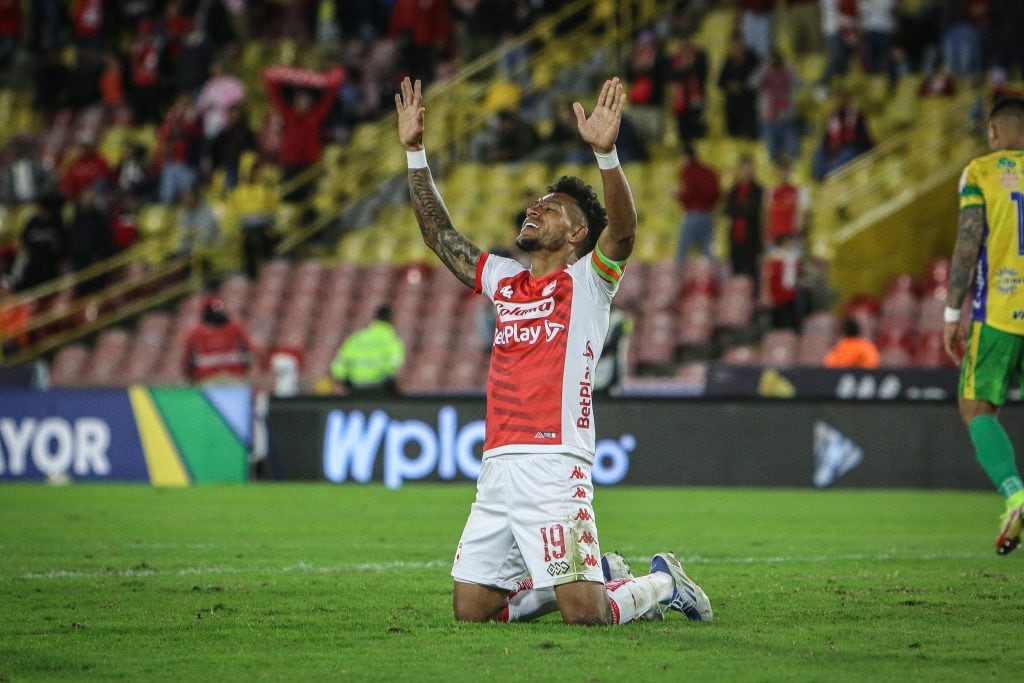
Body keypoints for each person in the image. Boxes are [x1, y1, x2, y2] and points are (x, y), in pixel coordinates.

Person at [396, 75, 712, 626]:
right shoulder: (505, 280)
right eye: (536, 203)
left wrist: (606, 154)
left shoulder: (589, 281)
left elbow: (626, 232)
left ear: (577, 233)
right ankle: (595, 571)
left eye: (552, 207)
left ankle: (662, 583)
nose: (535, 209)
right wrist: (415, 153)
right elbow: (438, 235)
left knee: (585, 619)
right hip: (497, 464)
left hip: (556, 461)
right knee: (471, 613)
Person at [943, 97, 1024, 555]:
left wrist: (953, 315)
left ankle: (1015, 494)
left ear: (994, 133)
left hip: (999, 314)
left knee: (976, 408)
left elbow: (967, 246)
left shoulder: (980, 173)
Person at [329, 304, 405, 395]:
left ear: (374, 319)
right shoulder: (392, 339)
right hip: (379, 390)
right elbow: (394, 364)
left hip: (354, 389)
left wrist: (348, 381)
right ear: (392, 320)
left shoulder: (356, 338)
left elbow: (338, 367)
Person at [183, 294, 256, 384]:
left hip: (222, 378)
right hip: (221, 378)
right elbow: (250, 349)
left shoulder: (235, 328)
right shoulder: (235, 327)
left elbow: (186, 358)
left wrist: (189, 376)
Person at [675, 144, 721, 263]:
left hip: (693, 214)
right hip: (708, 214)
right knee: (707, 250)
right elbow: (717, 193)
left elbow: (689, 193)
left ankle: (677, 277)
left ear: (686, 157)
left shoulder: (687, 171)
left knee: (682, 249)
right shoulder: (709, 171)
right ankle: (709, 278)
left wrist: (678, 196)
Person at [724, 154, 764, 281]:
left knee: (752, 275)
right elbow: (728, 210)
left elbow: (754, 210)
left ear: (753, 169)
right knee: (736, 274)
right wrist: (743, 207)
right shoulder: (734, 189)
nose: (745, 171)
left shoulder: (758, 190)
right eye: (743, 168)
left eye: (748, 168)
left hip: (752, 237)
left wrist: (740, 207)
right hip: (735, 237)